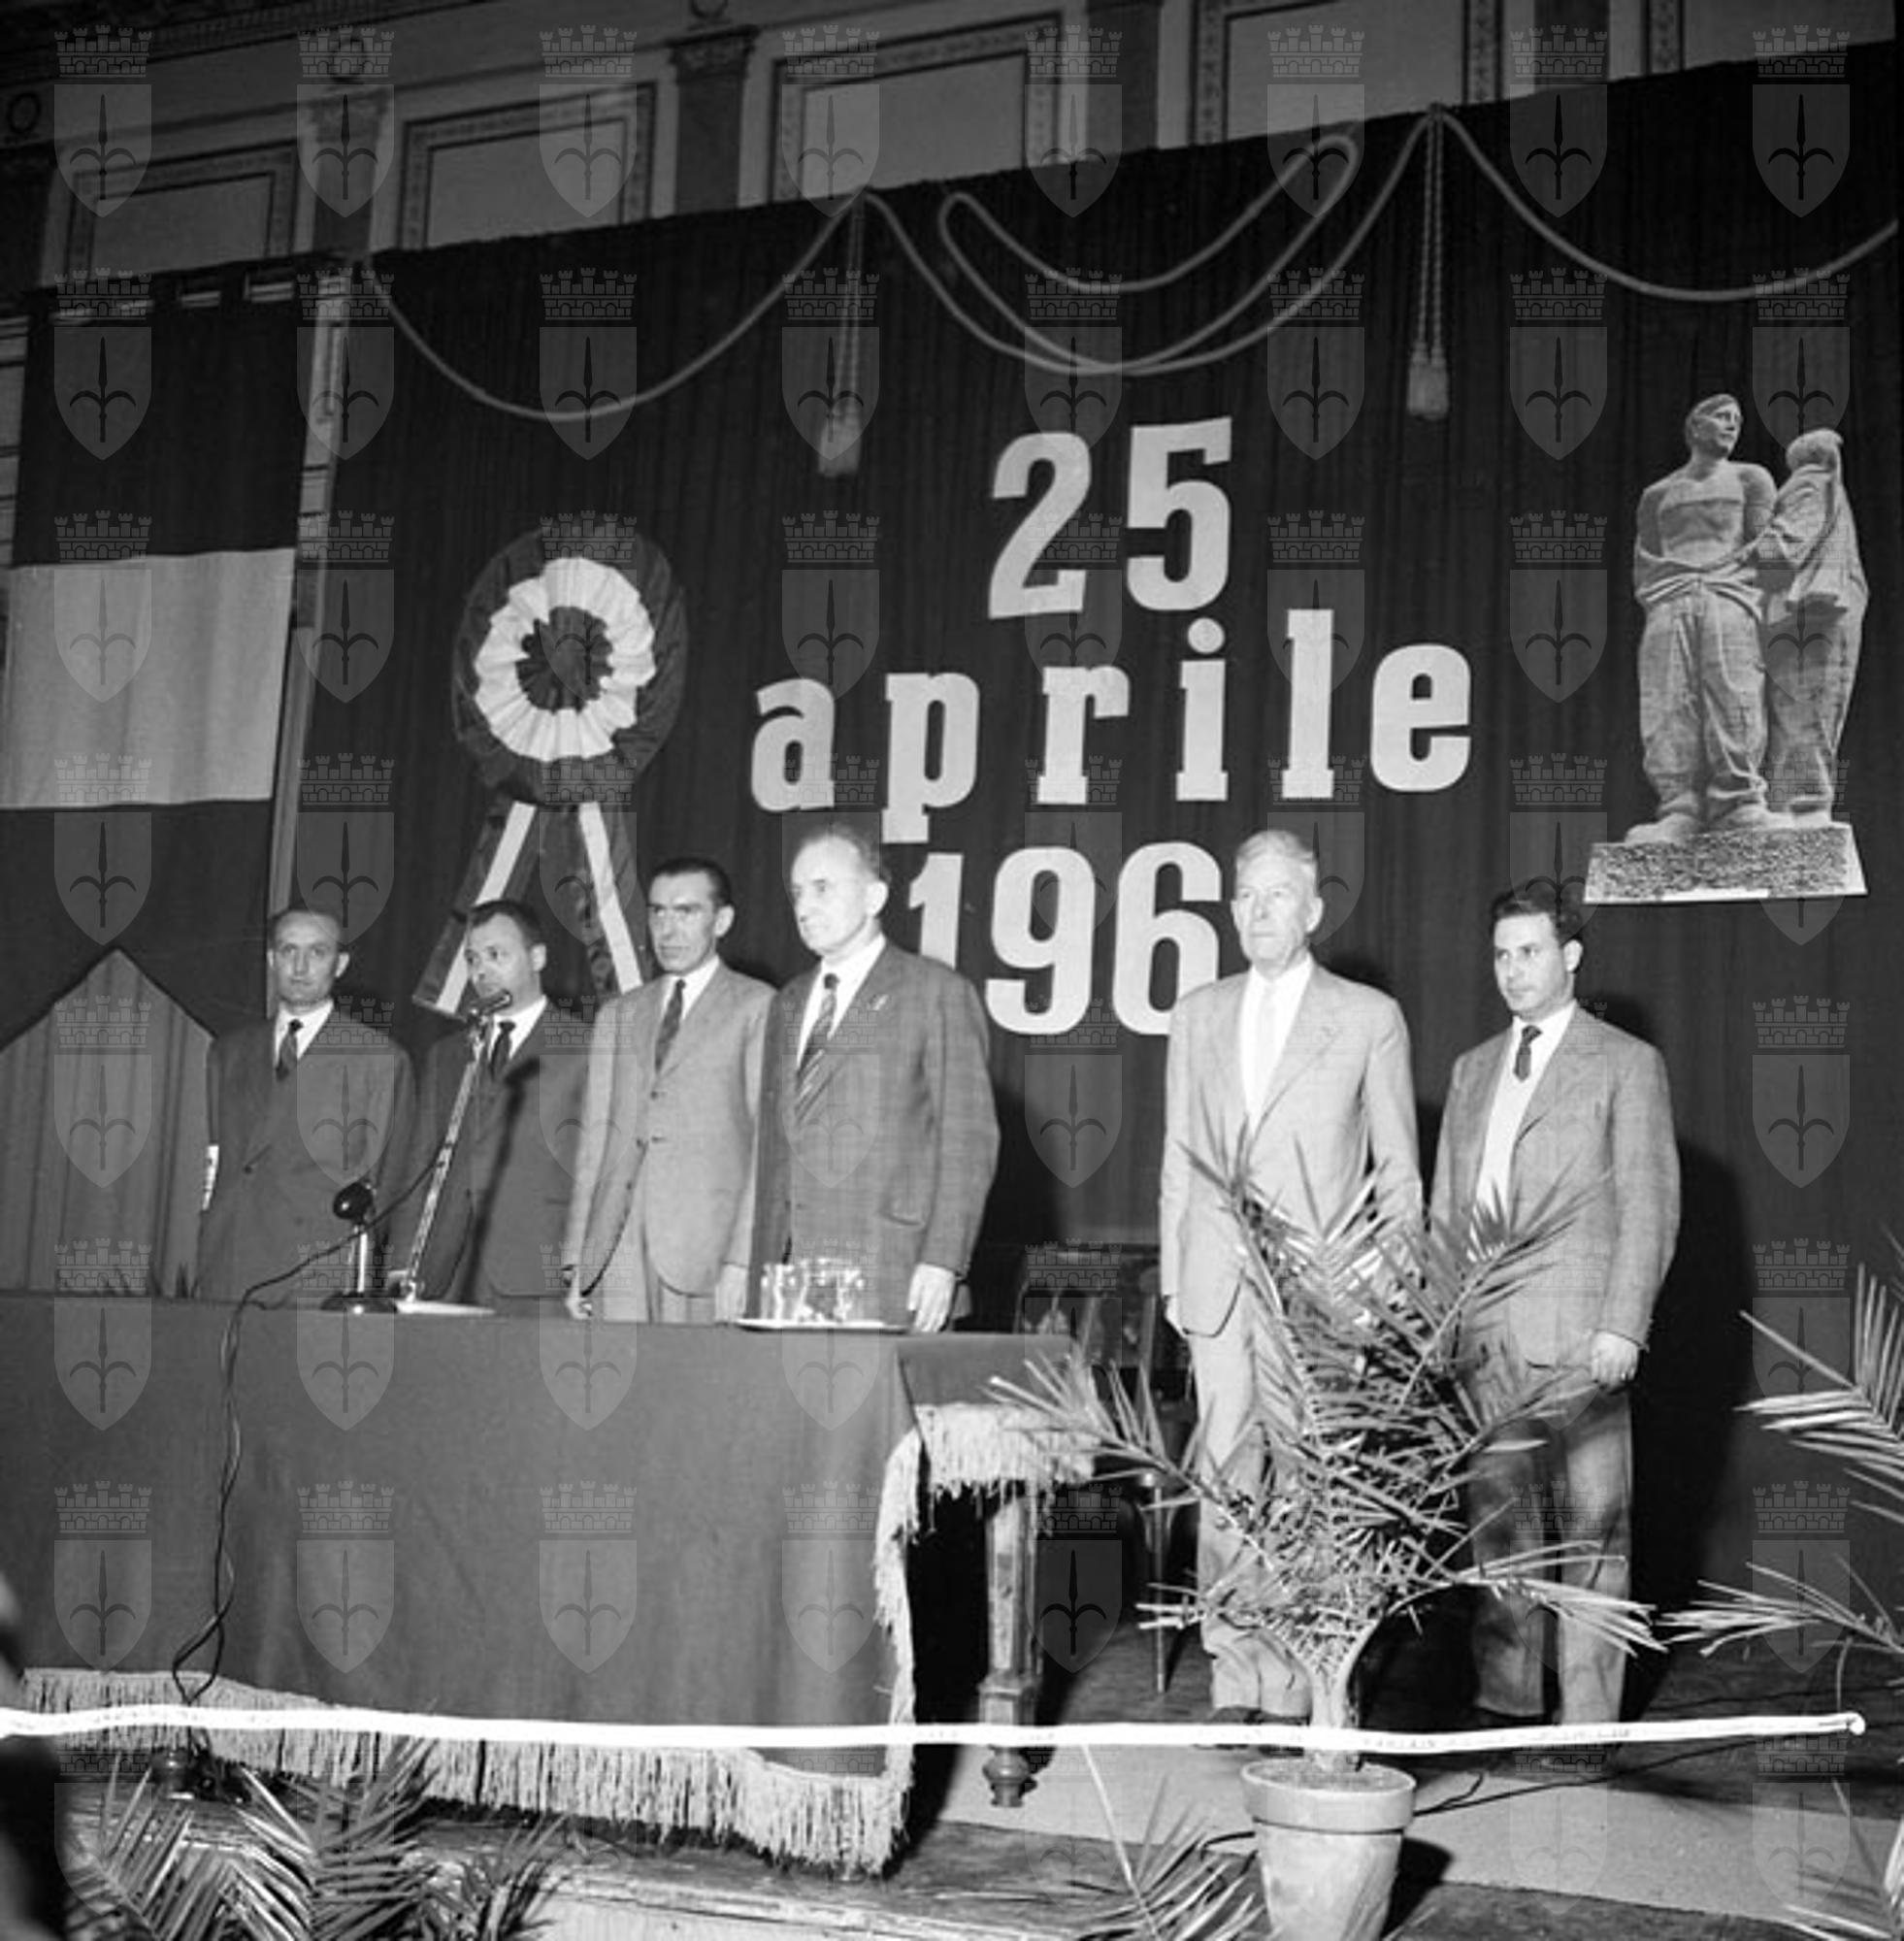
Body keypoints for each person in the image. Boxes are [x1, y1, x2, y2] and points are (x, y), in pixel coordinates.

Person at [1159, 827, 1420, 1724]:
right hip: (1217, 1285)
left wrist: (1383, 1292)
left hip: (1320, 1292)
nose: (1258, 910)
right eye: (1245, 894)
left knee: (1313, 1484)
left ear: (1313, 911)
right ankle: (1238, 1676)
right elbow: (1178, 1152)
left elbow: (1400, 1173)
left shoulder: (1368, 1017)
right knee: (1228, 1481)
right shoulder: (1197, 1013)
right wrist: (1175, 1275)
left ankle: (1311, 1679)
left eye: (1277, 895)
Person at [1431, 884, 1679, 1731]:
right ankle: (1504, 1701)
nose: (1513, 970)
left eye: (1530, 951)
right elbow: (1445, 1212)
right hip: (1485, 1341)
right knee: (1498, 1534)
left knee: (1595, 1538)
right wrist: (1441, 1324)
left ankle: (1587, 1723)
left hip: (1581, 1340)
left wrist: (1624, 1323)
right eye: (1502, 954)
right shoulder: (1471, 1071)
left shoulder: (1625, 1063)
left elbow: (1649, 1204)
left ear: (1570, 956)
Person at [748, 823, 999, 1332]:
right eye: (797, 892)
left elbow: (968, 1138)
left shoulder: (934, 992)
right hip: (790, 1273)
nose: (804, 907)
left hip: (891, 1267)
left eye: (823, 888)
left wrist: (943, 1261)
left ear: (875, 897)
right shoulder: (788, 1002)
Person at [563, 859, 773, 1322]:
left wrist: (744, 1260)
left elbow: (768, 1148)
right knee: (616, 1371)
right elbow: (594, 1144)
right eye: (658, 912)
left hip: (706, 1252)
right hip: (616, 1250)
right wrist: (578, 1258)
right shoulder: (618, 1015)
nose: (668, 929)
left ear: (722, 921)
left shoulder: (758, 1006)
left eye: (686, 912)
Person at [198, 905, 413, 1302]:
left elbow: (389, 1182)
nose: (300, 967)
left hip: (316, 1273)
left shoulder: (378, 1059)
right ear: (271, 959)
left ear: (340, 964)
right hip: (229, 1265)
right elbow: (216, 1163)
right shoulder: (228, 1051)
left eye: (317, 952)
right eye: (288, 951)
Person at [386, 900, 586, 1310]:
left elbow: (599, 1172)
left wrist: (587, 1269)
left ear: (537, 958)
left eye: (497, 955)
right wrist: (402, 1261)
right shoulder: (447, 1054)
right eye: (473, 959)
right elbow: (420, 1162)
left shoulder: (586, 1049)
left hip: (542, 1271)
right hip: (446, 1272)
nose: (482, 971)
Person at [1625, 393, 1786, 842]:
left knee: (1734, 690)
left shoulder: (1751, 478)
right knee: (1667, 699)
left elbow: (1767, 547)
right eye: (1721, 417)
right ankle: (1679, 807)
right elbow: (1646, 559)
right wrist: (1665, 591)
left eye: (1737, 419)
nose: (1732, 425)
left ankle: (1739, 801)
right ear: (1695, 427)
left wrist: (1769, 592)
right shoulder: (1657, 494)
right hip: (1669, 596)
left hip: (1729, 593)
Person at [1751, 425, 1865, 828]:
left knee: (1804, 711)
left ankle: (1798, 804)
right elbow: (1786, 544)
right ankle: (1802, 804)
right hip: (1809, 612)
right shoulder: (1814, 485)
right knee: (1808, 711)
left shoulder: (1814, 487)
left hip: (1806, 611)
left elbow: (1784, 546)